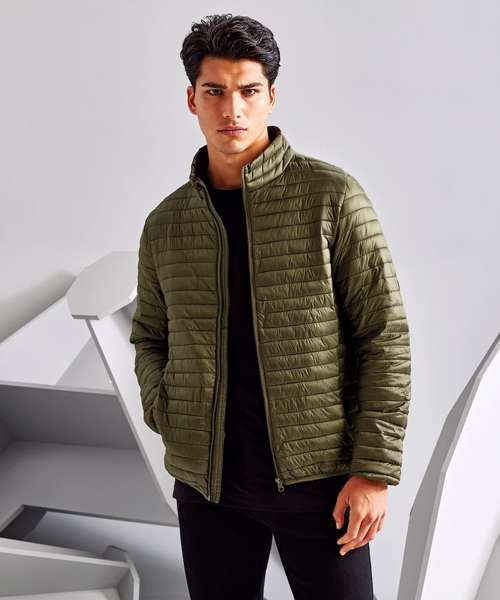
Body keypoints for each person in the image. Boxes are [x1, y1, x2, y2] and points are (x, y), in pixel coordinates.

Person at [130, 13, 411, 600]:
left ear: (271, 97)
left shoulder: (331, 196)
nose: (232, 109)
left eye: (248, 91)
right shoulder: (167, 223)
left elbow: (383, 335)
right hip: (209, 488)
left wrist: (373, 471)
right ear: (192, 99)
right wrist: (167, 410)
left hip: (321, 483)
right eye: (215, 91)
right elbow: (151, 335)